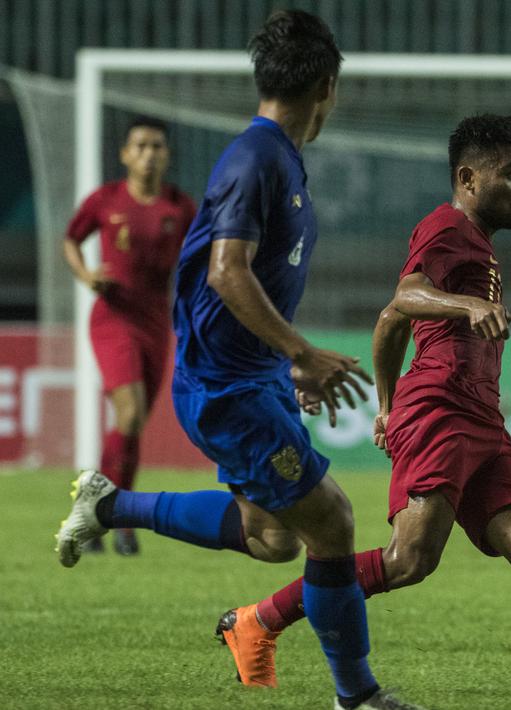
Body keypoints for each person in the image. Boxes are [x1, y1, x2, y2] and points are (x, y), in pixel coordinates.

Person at [54, 10, 416, 710]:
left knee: (273, 536)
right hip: (228, 388)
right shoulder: (257, 159)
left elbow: (243, 282)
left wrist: (285, 365)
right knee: (333, 523)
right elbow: (227, 272)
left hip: (251, 375)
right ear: (327, 86)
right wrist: (300, 353)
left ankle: (112, 504)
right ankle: (359, 696)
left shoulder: (274, 156)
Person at [215, 114, 511, 698]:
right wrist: (466, 308)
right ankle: (256, 621)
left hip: (478, 416)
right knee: (409, 560)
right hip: (441, 408)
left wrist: (387, 405)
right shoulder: (446, 227)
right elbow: (406, 296)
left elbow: (392, 320)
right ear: (468, 178)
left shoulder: (479, 248)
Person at [62, 115, 197, 555]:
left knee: (135, 423)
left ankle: (105, 510)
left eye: (157, 146)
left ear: (167, 155)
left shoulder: (179, 207)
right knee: (131, 413)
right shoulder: (106, 199)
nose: (148, 154)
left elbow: (201, 257)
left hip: (157, 322)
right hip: (113, 318)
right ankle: (117, 513)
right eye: (140, 146)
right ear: (124, 154)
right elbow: (71, 239)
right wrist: (86, 275)